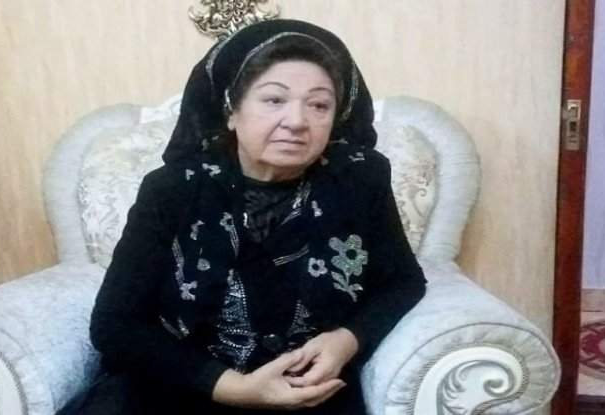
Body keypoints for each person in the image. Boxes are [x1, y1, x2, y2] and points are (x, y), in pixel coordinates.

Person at [58, 18, 426, 414]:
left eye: (319, 104)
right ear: (231, 111)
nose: (297, 121)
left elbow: (401, 282)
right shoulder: (173, 189)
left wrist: (347, 340)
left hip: (308, 393)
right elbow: (115, 324)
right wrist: (233, 388)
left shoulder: (359, 179)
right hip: (183, 386)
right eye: (274, 100)